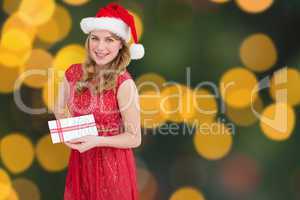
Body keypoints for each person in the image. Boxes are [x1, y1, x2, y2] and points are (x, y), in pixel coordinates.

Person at [53, 2, 144, 200]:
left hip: (113, 170)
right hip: (81, 164)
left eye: (109, 40)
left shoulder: (124, 83)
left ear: (121, 44)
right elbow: (59, 108)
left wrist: (97, 140)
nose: (100, 47)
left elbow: (134, 138)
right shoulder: (73, 73)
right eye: (95, 38)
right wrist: (70, 131)